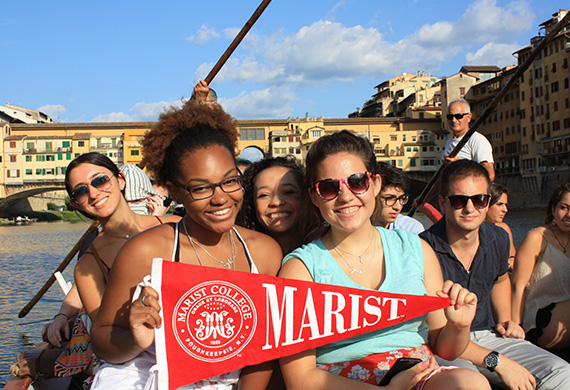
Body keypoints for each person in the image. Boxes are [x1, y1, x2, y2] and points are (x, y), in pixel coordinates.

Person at [89, 101, 282, 389]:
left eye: (230, 181)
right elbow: (102, 341)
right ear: (176, 190)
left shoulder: (265, 252)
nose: (220, 198)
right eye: (201, 188)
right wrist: (135, 337)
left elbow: (264, 348)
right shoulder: (145, 251)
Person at [279, 130, 490, 389]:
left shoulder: (415, 249)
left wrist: (458, 325)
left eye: (357, 182)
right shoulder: (300, 269)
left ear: (375, 184)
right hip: (341, 384)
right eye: (329, 187)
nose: (346, 196)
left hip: (418, 376)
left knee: (470, 383)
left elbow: (442, 347)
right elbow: (301, 378)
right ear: (315, 196)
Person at [420, 159, 570, 389]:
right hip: (444, 342)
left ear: (487, 201)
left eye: (479, 199)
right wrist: (497, 362)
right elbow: (438, 338)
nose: (470, 208)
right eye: (459, 200)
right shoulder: (423, 249)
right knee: (470, 384)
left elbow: (500, 280)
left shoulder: (498, 238)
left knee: (562, 373)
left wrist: (506, 320)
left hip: (490, 335)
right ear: (443, 203)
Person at [512, 183, 570, 353]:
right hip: (540, 319)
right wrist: (516, 327)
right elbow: (517, 286)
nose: (568, 214)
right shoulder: (537, 238)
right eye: (564, 208)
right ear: (553, 209)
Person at [413, 98, 495, 210]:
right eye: (450, 117)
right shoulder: (449, 142)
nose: (454, 120)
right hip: (454, 202)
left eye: (459, 116)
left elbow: (490, 174)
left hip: (470, 204)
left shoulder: (477, 140)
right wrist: (424, 199)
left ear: (469, 117)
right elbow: (442, 178)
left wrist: (460, 166)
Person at [237, 156, 305, 255]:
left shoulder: (326, 248)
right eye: (264, 195)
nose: (276, 202)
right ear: (251, 203)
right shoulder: (239, 255)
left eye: (288, 192)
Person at [372, 162, 424, 233]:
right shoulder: (354, 229)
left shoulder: (411, 229)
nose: (398, 207)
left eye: (401, 198)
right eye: (390, 198)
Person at [486, 183, 516, 270]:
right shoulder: (471, 230)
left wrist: (510, 261)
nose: (505, 210)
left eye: (505, 205)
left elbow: (512, 257)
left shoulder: (504, 228)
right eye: (499, 204)